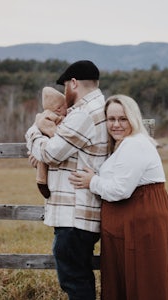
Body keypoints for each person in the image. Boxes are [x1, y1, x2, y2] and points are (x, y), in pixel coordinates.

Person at [69, 94, 168, 300]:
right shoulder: (121, 145)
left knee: (145, 280)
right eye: (111, 119)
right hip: (129, 222)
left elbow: (121, 190)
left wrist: (91, 181)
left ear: (133, 119)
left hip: (141, 221)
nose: (116, 125)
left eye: (123, 119)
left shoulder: (134, 144)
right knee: (129, 279)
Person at [25, 60, 108, 300]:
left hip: (75, 215)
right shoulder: (97, 109)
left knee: (74, 281)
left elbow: (51, 152)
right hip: (79, 213)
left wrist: (33, 133)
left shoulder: (85, 114)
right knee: (77, 277)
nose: (64, 94)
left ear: (73, 83)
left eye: (65, 87)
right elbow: (61, 151)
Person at [35, 86, 67, 198]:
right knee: (42, 163)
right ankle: (41, 181)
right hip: (46, 144)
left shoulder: (56, 116)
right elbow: (51, 130)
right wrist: (57, 136)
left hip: (44, 145)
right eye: (65, 107)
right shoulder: (47, 117)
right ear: (58, 109)